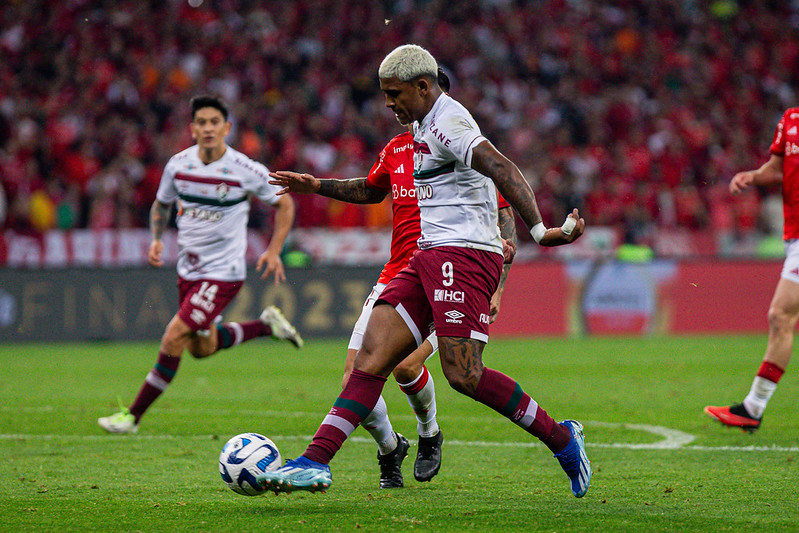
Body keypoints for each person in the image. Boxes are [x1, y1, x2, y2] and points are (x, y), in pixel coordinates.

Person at [257, 44, 590, 498]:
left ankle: (563, 439)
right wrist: (317, 186)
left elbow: (501, 168)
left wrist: (541, 230)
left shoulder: (450, 122)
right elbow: (371, 189)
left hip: (466, 255)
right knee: (371, 359)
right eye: (384, 94)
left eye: (395, 94)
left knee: (463, 375)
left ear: (422, 86)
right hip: (427, 256)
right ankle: (314, 462)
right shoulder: (414, 130)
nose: (388, 103)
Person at [268, 69, 516, 488]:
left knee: (404, 366)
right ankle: (390, 447)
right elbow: (368, 190)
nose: (397, 106)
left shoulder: (461, 146)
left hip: (450, 274)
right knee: (354, 378)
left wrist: (498, 286)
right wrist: (316, 186)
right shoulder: (397, 150)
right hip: (398, 274)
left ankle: (429, 431)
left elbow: (504, 215)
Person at [98, 95, 303, 434]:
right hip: (188, 271)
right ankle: (266, 326)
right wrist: (156, 238)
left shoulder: (246, 169)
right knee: (201, 348)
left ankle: (131, 417)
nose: (208, 128)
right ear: (193, 129)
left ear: (227, 128)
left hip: (223, 273)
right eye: (202, 123)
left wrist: (274, 248)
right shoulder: (178, 165)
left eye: (214, 122)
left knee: (174, 336)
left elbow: (286, 204)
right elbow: (161, 205)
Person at [704, 107, 799, 433]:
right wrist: (753, 176)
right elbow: (777, 169)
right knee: (781, 318)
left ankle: (753, 407)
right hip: (793, 236)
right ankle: (753, 407)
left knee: (780, 316)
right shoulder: (790, 120)